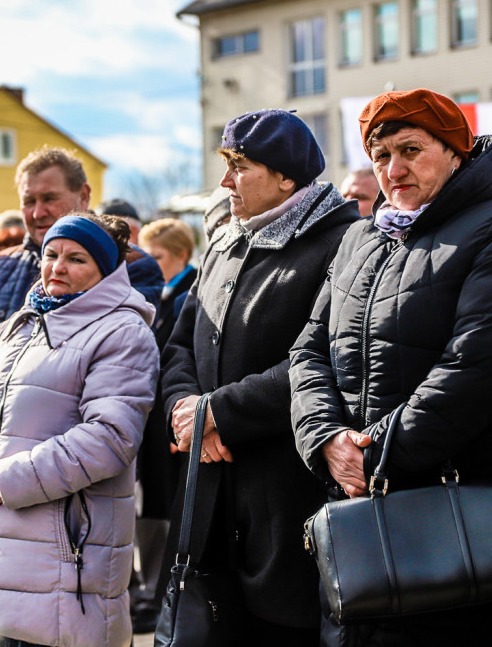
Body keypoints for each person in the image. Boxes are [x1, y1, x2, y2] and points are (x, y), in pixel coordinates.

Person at [289, 89, 492, 645]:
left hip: (466, 516)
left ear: (456, 150)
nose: (394, 168)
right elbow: (307, 350)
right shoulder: (361, 239)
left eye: (410, 149)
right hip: (367, 511)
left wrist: (372, 457)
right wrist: (325, 438)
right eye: (381, 156)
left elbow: (481, 363)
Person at [162, 109, 359, 644]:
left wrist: (220, 414)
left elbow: (322, 356)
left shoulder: (342, 241)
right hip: (210, 491)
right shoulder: (227, 240)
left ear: (286, 178)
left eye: (240, 166)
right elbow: (182, 341)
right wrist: (185, 410)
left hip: (286, 497)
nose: (225, 181)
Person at [0, 213, 159, 647]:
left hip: (69, 555)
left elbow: (110, 436)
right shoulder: (14, 329)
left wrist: (8, 480)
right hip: (0, 549)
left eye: (76, 259)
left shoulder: (122, 331)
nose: (57, 267)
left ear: (105, 271)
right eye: (51, 254)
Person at [0, 147, 163, 386]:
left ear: (84, 196)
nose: (37, 212)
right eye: (28, 201)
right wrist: (6, 364)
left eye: (49, 198)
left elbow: (112, 357)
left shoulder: (128, 265)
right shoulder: (0, 264)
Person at [132, 217, 197, 632]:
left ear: (181, 255)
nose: (151, 265)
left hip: (172, 417)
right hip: (155, 416)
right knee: (152, 501)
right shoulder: (168, 290)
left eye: (158, 256)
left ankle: (160, 592)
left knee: (167, 504)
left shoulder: (189, 291)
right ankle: (151, 590)